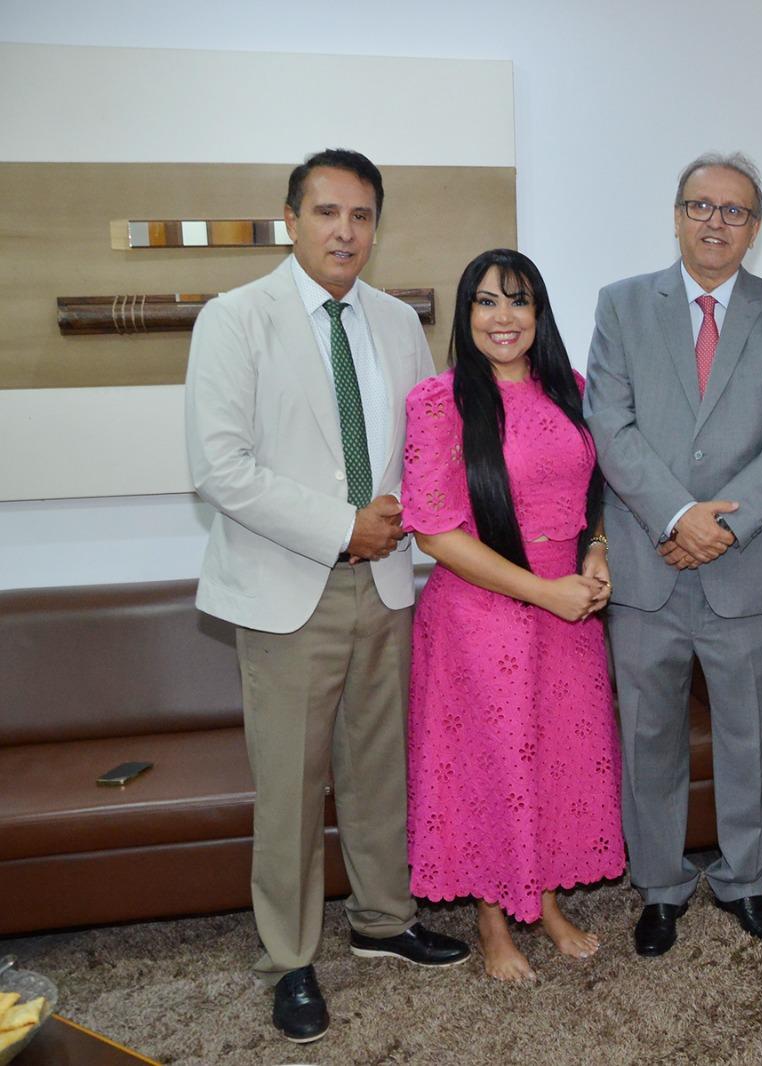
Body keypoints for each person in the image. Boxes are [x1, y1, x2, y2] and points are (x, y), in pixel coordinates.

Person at [184, 148, 468, 1045]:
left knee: (382, 770)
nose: (345, 231)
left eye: (361, 215)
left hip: (387, 586)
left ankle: (384, 920)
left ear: (376, 227)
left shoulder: (395, 321)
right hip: (286, 590)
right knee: (291, 788)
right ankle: (289, 957)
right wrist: (343, 524)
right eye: (327, 213)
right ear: (292, 219)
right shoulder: (236, 320)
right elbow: (219, 468)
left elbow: (424, 450)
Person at [585, 151, 762, 956]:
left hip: (746, 564)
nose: (715, 222)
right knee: (647, 736)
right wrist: (677, 516)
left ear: (754, 229)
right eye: (701, 206)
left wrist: (722, 525)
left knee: (750, 735)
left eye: (734, 211)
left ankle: (746, 881)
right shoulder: (622, 306)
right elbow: (609, 427)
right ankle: (659, 887)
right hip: (648, 565)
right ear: (678, 213)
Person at [402, 248, 624, 981]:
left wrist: (594, 554)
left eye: (519, 301)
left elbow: (596, 498)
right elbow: (435, 532)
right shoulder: (439, 401)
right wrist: (546, 592)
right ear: (466, 316)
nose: (505, 317)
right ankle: (494, 923)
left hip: (569, 614)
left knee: (557, 760)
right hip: (480, 620)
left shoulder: (572, 390)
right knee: (492, 767)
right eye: (488, 302)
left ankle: (548, 903)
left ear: (539, 314)